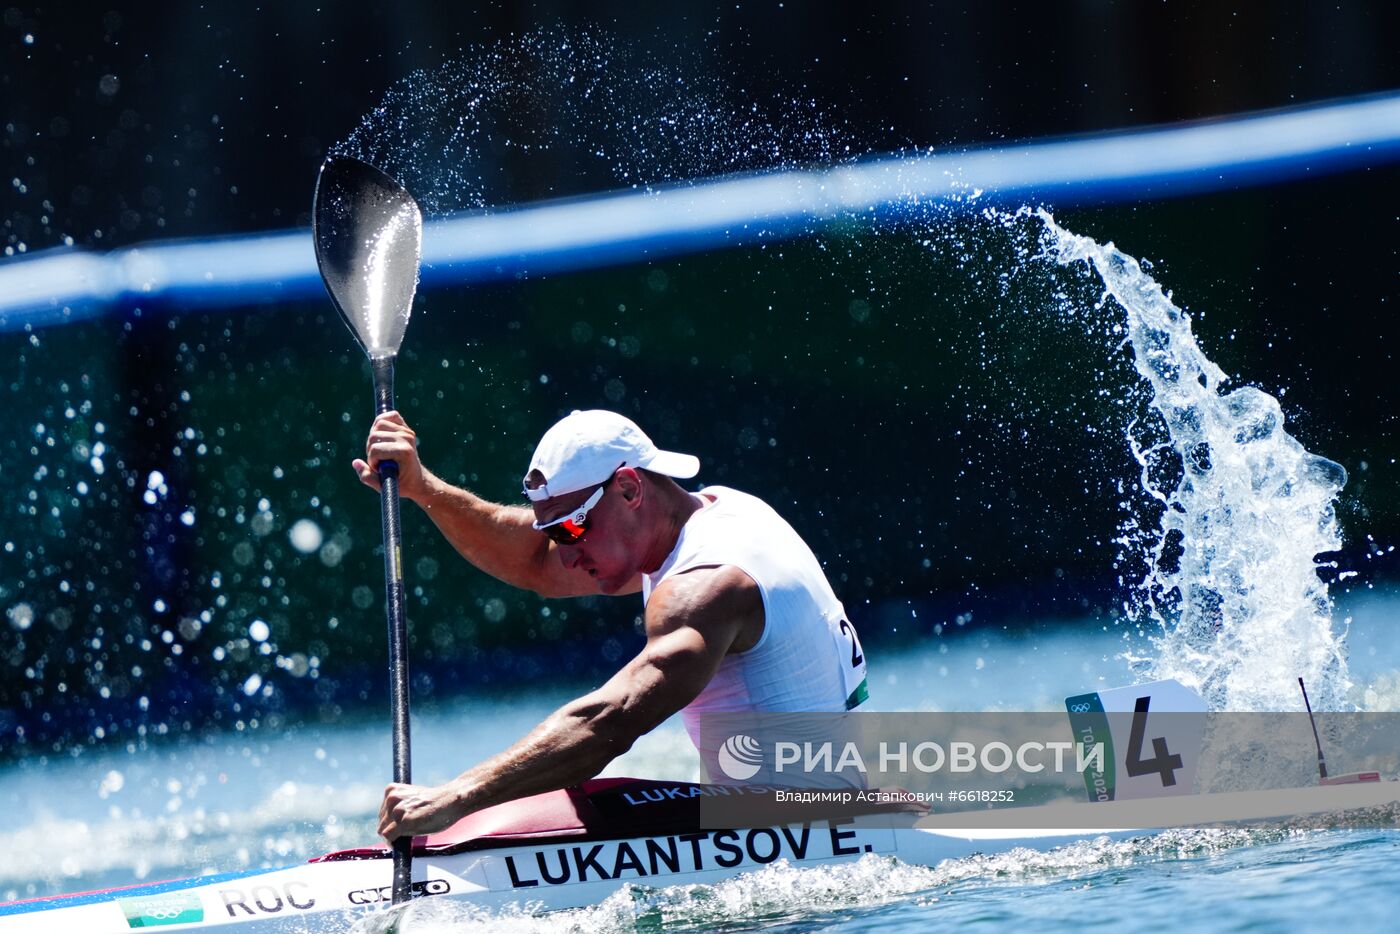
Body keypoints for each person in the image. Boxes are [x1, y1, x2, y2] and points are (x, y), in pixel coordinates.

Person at [354, 408, 869, 841]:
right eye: (555, 531)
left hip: (801, 831)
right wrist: (424, 488)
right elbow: (534, 560)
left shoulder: (708, 586)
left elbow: (612, 721)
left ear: (628, 488)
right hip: (825, 808)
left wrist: (455, 795)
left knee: (486, 821)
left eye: (573, 527)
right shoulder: (722, 509)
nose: (566, 552)